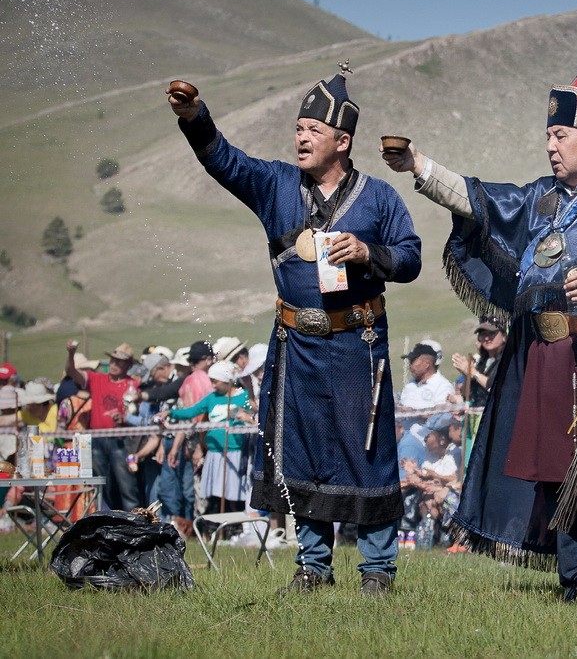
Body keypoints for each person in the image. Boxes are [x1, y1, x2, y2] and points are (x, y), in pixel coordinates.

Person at [384, 66, 577, 602]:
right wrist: (418, 166)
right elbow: (481, 201)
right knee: (554, 467)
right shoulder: (544, 196)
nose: (549, 144)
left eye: (559, 135)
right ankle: (575, 583)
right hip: (545, 347)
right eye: (547, 135)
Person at [167, 70, 421, 595]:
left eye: (312, 129)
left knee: (365, 449)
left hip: (358, 344)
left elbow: (411, 257)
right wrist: (194, 116)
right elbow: (224, 160)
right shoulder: (277, 184)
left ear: (342, 141)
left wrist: (369, 253)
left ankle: (377, 573)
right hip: (296, 344)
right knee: (300, 450)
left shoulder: (379, 198)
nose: (300, 137)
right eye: (298, 127)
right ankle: (312, 567)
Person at [160, 361, 251, 521]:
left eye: (215, 381)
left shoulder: (243, 396)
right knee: (216, 494)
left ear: (226, 380)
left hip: (236, 453)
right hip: (215, 454)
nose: (212, 385)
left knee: (234, 494)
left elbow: (253, 417)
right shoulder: (211, 398)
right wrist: (171, 413)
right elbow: (191, 411)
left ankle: (237, 527)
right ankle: (216, 527)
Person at [64, 341, 142, 512]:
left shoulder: (134, 385)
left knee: (126, 484)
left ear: (129, 364)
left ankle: (135, 523)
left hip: (122, 439)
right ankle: (109, 520)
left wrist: (124, 418)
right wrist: (71, 353)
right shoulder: (96, 379)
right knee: (102, 484)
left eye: (120, 361)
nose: (114, 364)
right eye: (113, 360)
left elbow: (139, 415)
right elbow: (71, 372)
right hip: (97, 439)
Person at [397, 343, 453, 409]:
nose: (410, 366)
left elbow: (441, 415)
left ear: (426, 364)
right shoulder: (410, 384)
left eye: (412, 361)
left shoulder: (442, 386)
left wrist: (412, 411)